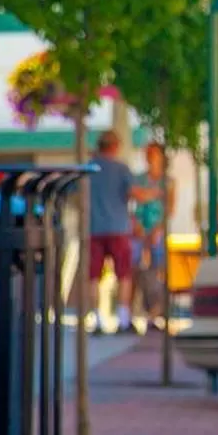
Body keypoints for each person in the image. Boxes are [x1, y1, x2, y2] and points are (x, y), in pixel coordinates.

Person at [86, 131, 138, 334]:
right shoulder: (121, 168)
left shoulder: (89, 168)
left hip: (94, 228)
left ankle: (97, 320)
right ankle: (123, 319)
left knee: (94, 276)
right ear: (115, 146)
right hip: (118, 228)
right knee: (123, 274)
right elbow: (133, 193)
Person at [132, 142, 167, 332]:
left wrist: (157, 229)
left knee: (157, 272)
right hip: (139, 232)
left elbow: (170, 208)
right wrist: (137, 226)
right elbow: (134, 202)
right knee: (137, 271)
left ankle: (155, 314)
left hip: (157, 233)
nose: (149, 157)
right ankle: (138, 312)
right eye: (148, 154)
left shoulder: (168, 181)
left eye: (153, 154)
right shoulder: (139, 179)